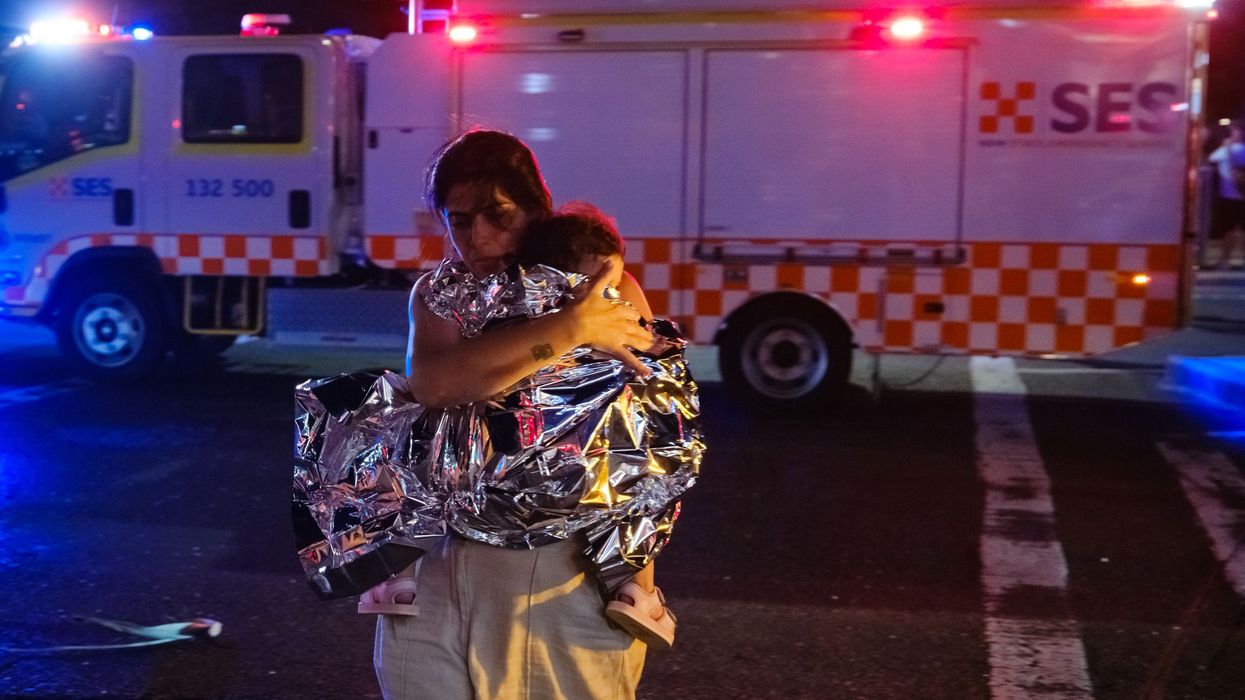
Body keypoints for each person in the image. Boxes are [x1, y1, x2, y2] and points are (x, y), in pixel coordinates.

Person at [372, 130, 658, 700]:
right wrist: (569, 329)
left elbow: (636, 405)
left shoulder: (603, 281)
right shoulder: (438, 292)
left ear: (535, 209)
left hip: (559, 566)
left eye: (496, 215)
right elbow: (436, 383)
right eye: (457, 220)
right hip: (439, 562)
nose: (476, 237)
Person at [1208, 120, 1245, 269]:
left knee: (1228, 230)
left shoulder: (1227, 150)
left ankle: (1224, 261)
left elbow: (1211, 159)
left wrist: (1226, 145)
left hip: (1229, 196)